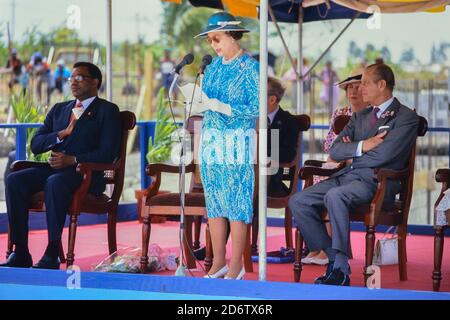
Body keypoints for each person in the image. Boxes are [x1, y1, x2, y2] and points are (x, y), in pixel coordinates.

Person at [288, 63, 419, 286]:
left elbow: (384, 156)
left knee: (335, 196)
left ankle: (338, 271)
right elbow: (335, 150)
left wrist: (353, 153)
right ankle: (336, 260)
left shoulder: (405, 117)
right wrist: (363, 146)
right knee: (298, 200)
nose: (360, 89)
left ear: (382, 84)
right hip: (347, 178)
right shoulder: (360, 116)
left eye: (366, 83)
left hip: (378, 183)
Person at [0, 62, 121, 270]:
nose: (73, 81)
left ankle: (52, 252)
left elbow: (109, 152)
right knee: (15, 179)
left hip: (85, 174)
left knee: (54, 182)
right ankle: (20, 252)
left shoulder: (107, 110)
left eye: (80, 77)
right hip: (55, 169)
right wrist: (60, 135)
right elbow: (36, 145)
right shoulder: (59, 109)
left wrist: (73, 159)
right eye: (71, 78)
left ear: (95, 82)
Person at [195, 11, 259, 280]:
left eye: (217, 39)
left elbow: (255, 108)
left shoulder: (250, 67)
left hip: (236, 143)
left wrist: (226, 107)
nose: (214, 45)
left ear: (233, 36)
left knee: (237, 203)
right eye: (210, 40)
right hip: (211, 141)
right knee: (215, 204)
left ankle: (236, 265)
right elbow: (204, 100)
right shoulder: (213, 67)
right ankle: (218, 261)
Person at [304, 68, 370, 266]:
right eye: (349, 87)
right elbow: (331, 147)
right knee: (318, 180)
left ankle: (329, 249)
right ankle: (320, 246)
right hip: (337, 164)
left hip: (360, 169)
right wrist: (347, 148)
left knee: (332, 187)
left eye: (357, 87)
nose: (353, 91)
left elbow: (370, 148)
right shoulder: (340, 113)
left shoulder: (374, 115)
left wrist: (349, 148)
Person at [266, 77, 300, 197]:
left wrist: (261, 152)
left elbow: (289, 153)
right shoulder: (249, 120)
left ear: (272, 99)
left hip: (271, 178)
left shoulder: (288, 121)